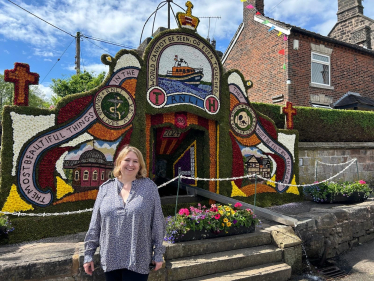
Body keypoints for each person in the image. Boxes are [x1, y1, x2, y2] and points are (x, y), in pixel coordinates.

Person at [83, 145, 165, 281]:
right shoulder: (105, 189)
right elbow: (95, 224)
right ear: (119, 162)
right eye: (127, 160)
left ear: (140, 165)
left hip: (138, 259)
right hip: (110, 259)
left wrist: (158, 254)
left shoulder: (149, 188)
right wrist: (88, 254)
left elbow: (157, 222)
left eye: (135, 161)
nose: (131, 164)